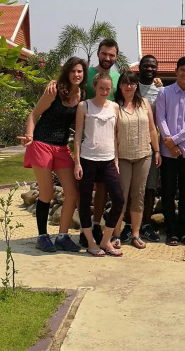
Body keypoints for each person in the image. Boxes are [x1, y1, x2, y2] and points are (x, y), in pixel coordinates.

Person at [19, 57, 85, 253]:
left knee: (72, 192)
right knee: (46, 192)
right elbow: (33, 115)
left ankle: (63, 236)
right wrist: (29, 135)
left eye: (80, 71)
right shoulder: (54, 90)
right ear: (67, 72)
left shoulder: (81, 94)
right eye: (73, 71)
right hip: (41, 144)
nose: (76, 74)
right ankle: (42, 237)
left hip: (61, 147)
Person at [73, 73, 125, 257]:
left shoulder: (115, 107)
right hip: (88, 159)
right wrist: (77, 162)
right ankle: (90, 242)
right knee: (85, 201)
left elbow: (115, 136)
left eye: (107, 89)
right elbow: (77, 136)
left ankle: (106, 240)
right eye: (101, 88)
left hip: (108, 160)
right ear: (94, 87)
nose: (104, 91)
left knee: (119, 199)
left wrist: (116, 160)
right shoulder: (84, 106)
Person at [156, 56, 185, 246]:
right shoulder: (164, 92)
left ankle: (183, 229)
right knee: (168, 192)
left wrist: (173, 141)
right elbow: (160, 117)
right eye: (182, 70)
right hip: (167, 153)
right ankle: (171, 230)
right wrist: (169, 144)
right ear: (176, 71)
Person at [112, 71, 161, 249]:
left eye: (132, 83)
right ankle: (116, 235)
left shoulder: (144, 103)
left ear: (136, 85)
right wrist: (114, 158)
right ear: (120, 85)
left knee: (139, 195)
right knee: (121, 197)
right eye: (125, 83)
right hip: (123, 157)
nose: (129, 86)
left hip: (143, 155)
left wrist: (157, 150)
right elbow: (112, 134)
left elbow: (152, 129)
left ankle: (135, 234)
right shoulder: (115, 106)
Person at [80, 38, 121, 248]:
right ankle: (85, 231)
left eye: (111, 55)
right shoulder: (86, 75)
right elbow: (69, 83)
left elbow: (129, 94)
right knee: (85, 193)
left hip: (106, 146)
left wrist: (157, 83)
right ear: (98, 53)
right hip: (86, 143)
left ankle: (96, 224)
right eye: (104, 53)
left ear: (116, 57)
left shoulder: (117, 77)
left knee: (104, 189)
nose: (107, 58)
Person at [136, 54, 163, 242]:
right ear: (139, 67)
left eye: (153, 66)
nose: (149, 69)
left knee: (150, 187)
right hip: (130, 144)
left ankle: (145, 223)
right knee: (132, 187)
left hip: (152, 145)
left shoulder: (160, 91)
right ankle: (130, 225)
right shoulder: (131, 86)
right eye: (146, 65)